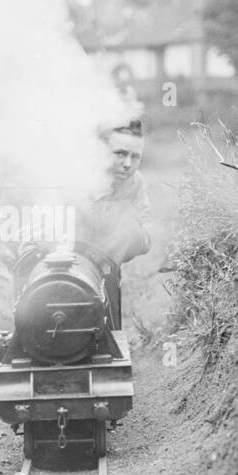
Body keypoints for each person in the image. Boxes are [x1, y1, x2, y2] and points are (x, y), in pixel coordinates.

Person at [73, 118, 151, 329]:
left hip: (107, 262)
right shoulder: (80, 179)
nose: (127, 164)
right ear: (101, 151)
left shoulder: (136, 182)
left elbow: (142, 235)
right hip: (72, 261)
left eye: (135, 157)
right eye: (120, 154)